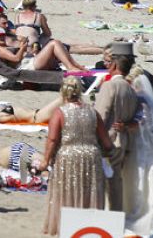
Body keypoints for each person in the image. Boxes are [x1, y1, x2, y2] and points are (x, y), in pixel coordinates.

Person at [37, 76, 113, 236]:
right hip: (91, 157)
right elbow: (106, 142)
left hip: (68, 156)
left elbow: (52, 139)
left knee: (68, 191)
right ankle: (89, 228)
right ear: (79, 92)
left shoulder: (60, 112)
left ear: (63, 92)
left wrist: (45, 160)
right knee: (88, 192)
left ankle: (66, 228)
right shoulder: (93, 112)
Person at [94, 46, 138, 212]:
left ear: (113, 65)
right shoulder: (130, 88)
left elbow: (100, 116)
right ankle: (116, 217)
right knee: (116, 183)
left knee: (102, 184)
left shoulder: (109, 86)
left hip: (108, 141)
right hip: (124, 141)